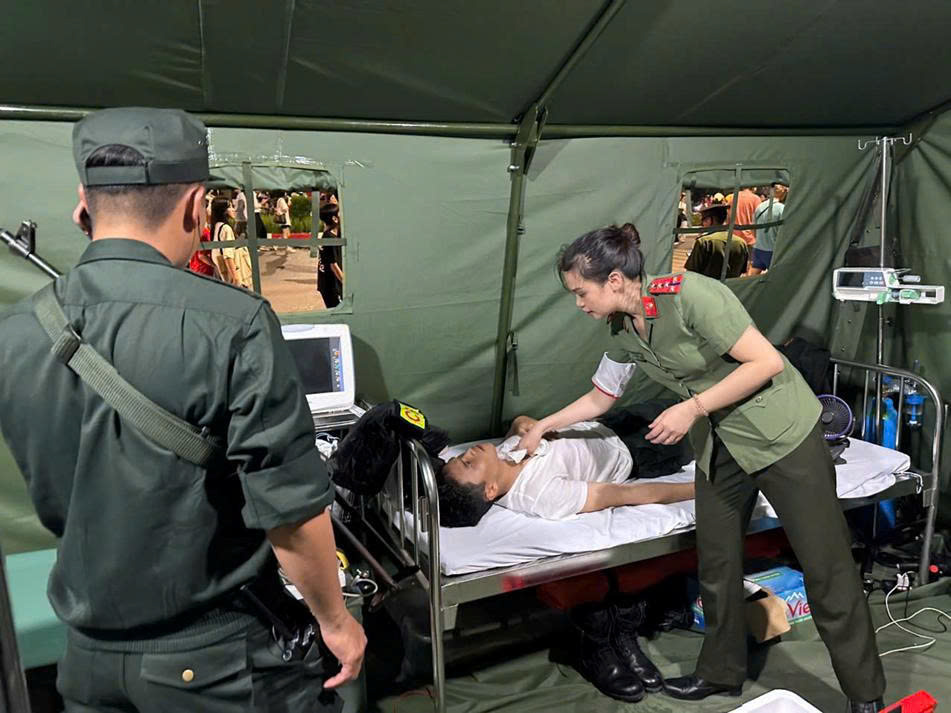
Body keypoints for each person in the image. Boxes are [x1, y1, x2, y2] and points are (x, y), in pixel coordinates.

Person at [0, 107, 365, 712]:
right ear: (197, 206)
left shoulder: (16, 330)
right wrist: (335, 622)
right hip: (212, 662)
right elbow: (292, 515)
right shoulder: (235, 323)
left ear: (82, 206)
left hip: (86, 658)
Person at [516, 225, 885, 712]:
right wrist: (543, 425)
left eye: (581, 292)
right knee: (717, 561)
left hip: (781, 436)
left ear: (613, 280)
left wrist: (691, 409)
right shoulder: (623, 329)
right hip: (720, 442)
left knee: (826, 567)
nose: (578, 303)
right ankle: (721, 672)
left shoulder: (692, 297)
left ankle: (865, 695)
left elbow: (765, 362)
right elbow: (599, 397)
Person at [438, 416, 694, 526]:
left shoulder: (499, 458)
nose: (469, 453)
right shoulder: (542, 495)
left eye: (461, 456)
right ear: (490, 490)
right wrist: (696, 490)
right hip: (642, 448)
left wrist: (522, 424)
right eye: (468, 463)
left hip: (612, 423)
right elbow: (625, 495)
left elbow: (519, 425)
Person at [683, 204, 749, 279]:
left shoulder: (704, 242)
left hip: (706, 287)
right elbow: (743, 270)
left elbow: (691, 271)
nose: (702, 224)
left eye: (704, 220)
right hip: (730, 288)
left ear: (710, 220)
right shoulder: (741, 243)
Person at [210, 197, 253, 289]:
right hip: (236, 274)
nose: (234, 209)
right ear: (223, 211)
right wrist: (236, 278)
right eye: (230, 207)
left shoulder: (216, 226)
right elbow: (228, 255)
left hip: (225, 274)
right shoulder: (226, 228)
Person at [750, 183, 788, 275]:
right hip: (773, 251)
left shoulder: (760, 206)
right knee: (776, 278)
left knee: (751, 277)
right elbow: (785, 233)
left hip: (758, 248)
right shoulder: (782, 208)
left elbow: (753, 230)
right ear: (782, 192)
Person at [317, 203, 344, 309]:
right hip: (331, 285)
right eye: (340, 214)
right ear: (335, 219)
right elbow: (334, 266)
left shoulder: (328, 234)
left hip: (327, 284)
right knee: (338, 313)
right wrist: (345, 283)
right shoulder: (330, 239)